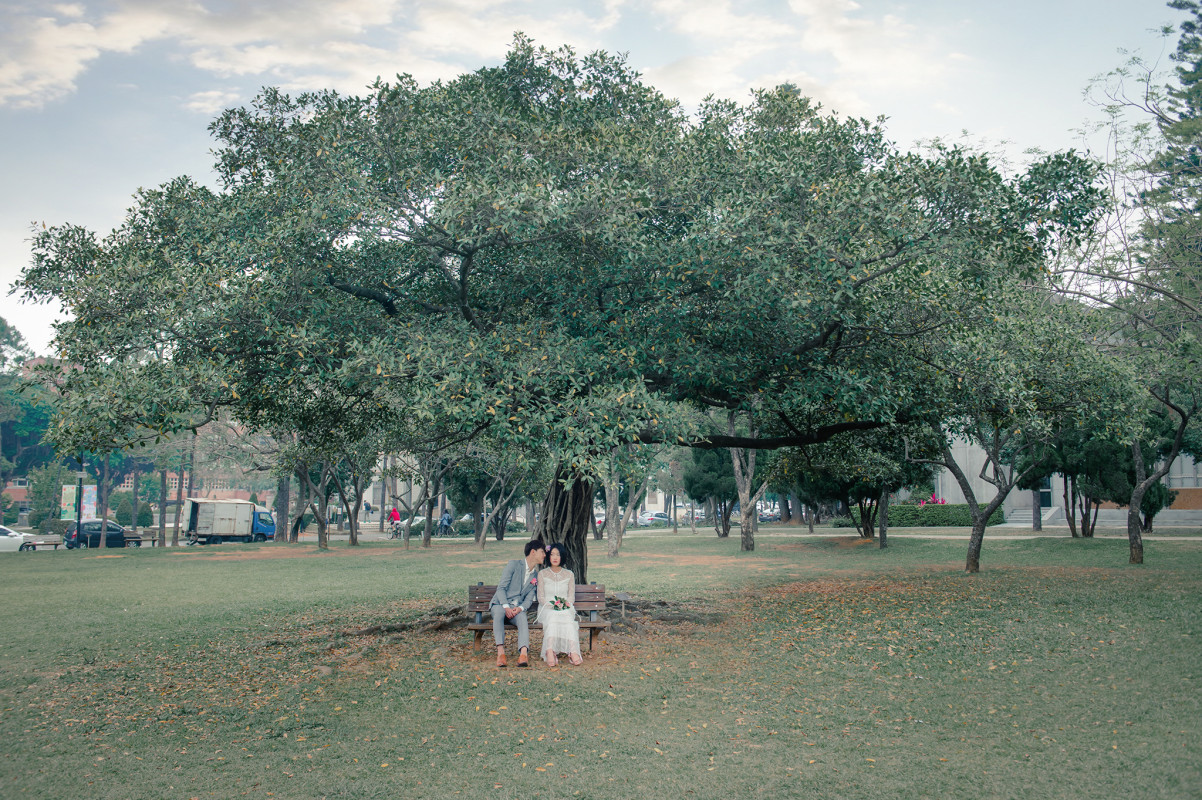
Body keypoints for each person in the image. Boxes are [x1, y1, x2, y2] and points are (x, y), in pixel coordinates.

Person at [490, 538, 545, 667]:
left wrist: (519, 608)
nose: (544, 555)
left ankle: (523, 654)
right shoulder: (513, 565)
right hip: (500, 604)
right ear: (533, 552)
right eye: (542, 551)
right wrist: (506, 606)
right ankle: (501, 653)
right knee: (498, 614)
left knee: (522, 618)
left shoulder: (535, 576)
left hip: (516, 608)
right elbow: (501, 588)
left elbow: (529, 598)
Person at [536, 543, 583, 666]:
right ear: (548, 557)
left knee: (567, 616)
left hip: (565, 607)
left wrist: (564, 605)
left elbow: (571, 597)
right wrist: (552, 605)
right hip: (546, 608)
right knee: (553, 616)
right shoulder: (542, 574)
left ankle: (573, 651)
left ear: (562, 556)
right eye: (552, 554)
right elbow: (540, 597)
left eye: (558, 554)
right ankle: (549, 650)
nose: (555, 557)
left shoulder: (569, 574)